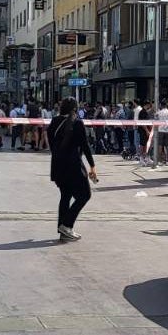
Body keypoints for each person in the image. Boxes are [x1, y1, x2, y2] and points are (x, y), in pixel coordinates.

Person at [48, 97, 97, 241]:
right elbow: (85, 146)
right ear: (75, 108)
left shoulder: (54, 121)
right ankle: (67, 225)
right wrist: (92, 166)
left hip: (57, 165)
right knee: (85, 195)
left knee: (65, 196)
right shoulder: (77, 123)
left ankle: (63, 230)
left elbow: (51, 144)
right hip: (73, 166)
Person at [155, 100, 168, 166]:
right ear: (166, 105)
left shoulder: (159, 112)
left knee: (160, 146)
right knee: (167, 146)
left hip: (160, 130)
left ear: (161, 105)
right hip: (167, 130)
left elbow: (155, 118)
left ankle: (160, 161)